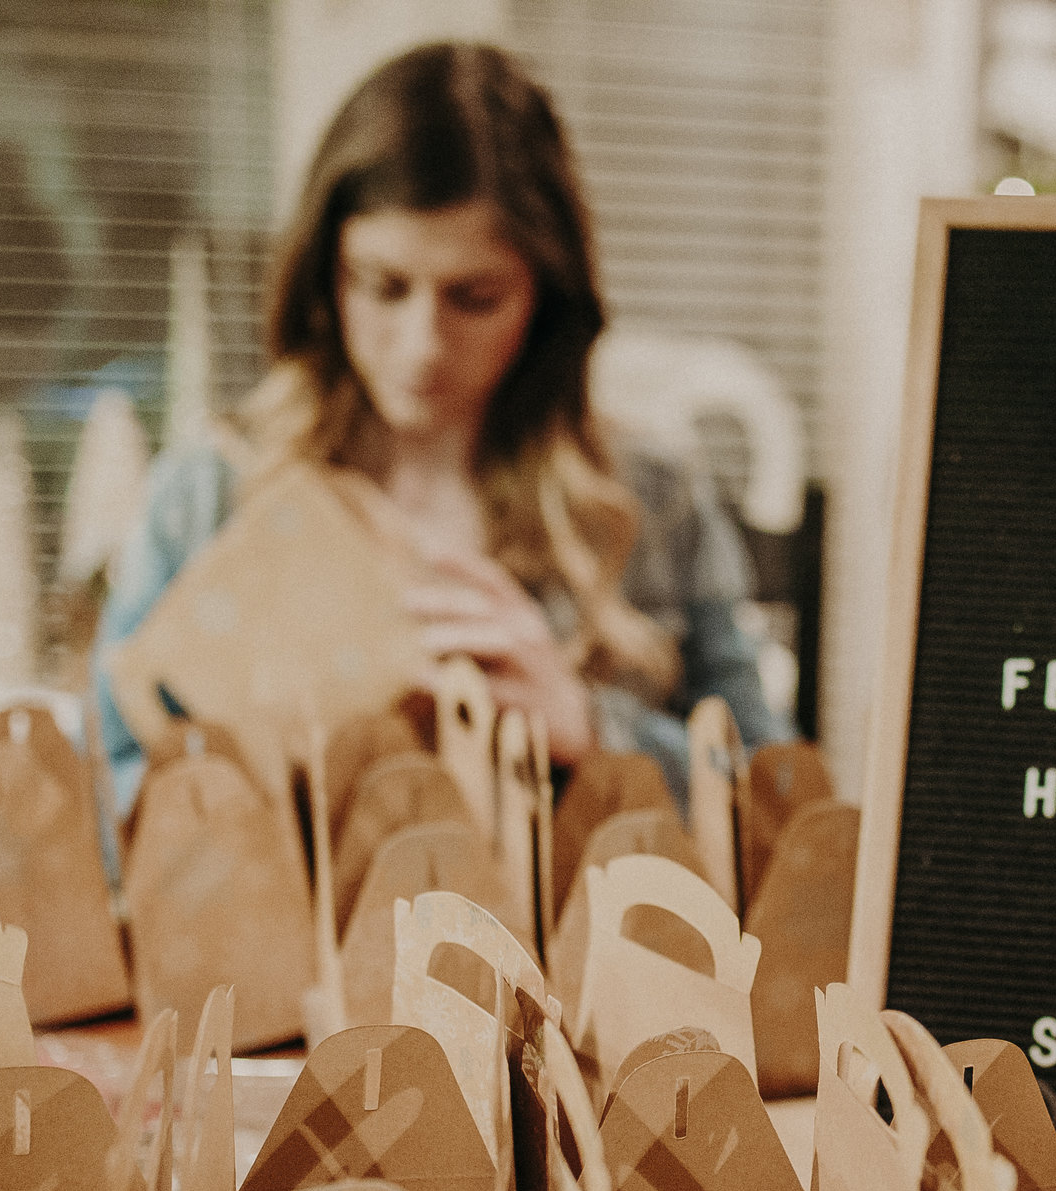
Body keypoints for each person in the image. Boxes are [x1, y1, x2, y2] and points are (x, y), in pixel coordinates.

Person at [94, 41, 787, 815]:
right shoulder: (210, 493)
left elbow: (774, 804)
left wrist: (592, 728)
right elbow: (105, 791)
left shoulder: (653, 502)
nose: (423, 345)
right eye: (384, 287)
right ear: (326, 274)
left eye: (476, 297)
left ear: (546, 296)